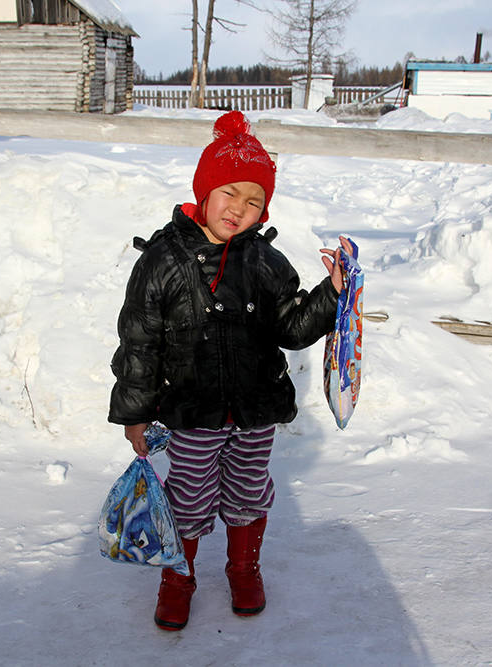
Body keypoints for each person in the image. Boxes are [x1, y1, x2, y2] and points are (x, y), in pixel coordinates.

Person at [108, 110, 349, 631]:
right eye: (229, 193)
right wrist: (135, 413)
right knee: (189, 497)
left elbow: (290, 326)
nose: (239, 209)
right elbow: (139, 343)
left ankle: (244, 566)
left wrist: (331, 294)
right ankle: (179, 577)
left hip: (255, 408)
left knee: (248, 490)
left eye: (254, 201)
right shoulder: (162, 261)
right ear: (205, 189)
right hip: (193, 410)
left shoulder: (265, 261)